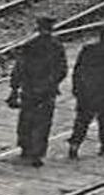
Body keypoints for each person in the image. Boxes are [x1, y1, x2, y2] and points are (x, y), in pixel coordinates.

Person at [9, 17, 67, 167]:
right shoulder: (57, 46)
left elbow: (19, 68)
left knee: (27, 118)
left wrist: (14, 88)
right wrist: (51, 83)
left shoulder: (30, 45)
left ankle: (25, 147)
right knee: (43, 122)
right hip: (47, 91)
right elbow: (62, 70)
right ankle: (38, 152)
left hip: (29, 88)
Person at [67, 26, 104, 159]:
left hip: (86, 91)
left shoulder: (87, 50)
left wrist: (76, 87)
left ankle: (75, 144)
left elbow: (78, 70)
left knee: (82, 120)